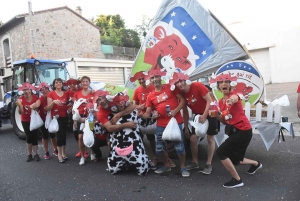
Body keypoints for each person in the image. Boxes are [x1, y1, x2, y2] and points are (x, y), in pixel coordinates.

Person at [210, 73, 262, 188]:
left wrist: (231, 101)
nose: (224, 84)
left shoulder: (234, 95)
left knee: (221, 152)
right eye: (221, 83)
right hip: (235, 131)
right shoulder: (220, 102)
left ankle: (237, 179)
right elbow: (225, 121)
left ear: (230, 85)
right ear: (218, 86)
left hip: (244, 130)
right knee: (233, 159)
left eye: (226, 82)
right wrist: (217, 116)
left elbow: (235, 98)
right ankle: (256, 164)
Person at [139, 69, 190, 177]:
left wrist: (175, 111)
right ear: (150, 80)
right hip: (161, 124)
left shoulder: (170, 87)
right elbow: (148, 114)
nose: (154, 79)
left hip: (176, 122)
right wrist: (141, 115)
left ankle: (182, 167)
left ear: (160, 77)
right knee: (159, 148)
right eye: (152, 78)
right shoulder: (150, 96)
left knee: (179, 147)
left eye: (156, 77)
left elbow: (183, 101)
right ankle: (166, 165)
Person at [174, 73, 219, 174]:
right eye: (177, 82)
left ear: (186, 80)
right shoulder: (182, 94)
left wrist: (204, 114)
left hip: (210, 112)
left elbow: (209, 100)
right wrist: (186, 128)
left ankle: (208, 164)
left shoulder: (197, 86)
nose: (180, 84)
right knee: (193, 139)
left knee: (210, 138)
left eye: (181, 81)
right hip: (198, 115)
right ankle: (195, 162)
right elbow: (185, 112)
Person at [105, 91, 149, 175]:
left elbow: (144, 123)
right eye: (118, 102)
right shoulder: (111, 116)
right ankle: (125, 163)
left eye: (123, 101)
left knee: (143, 171)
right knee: (113, 170)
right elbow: (108, 130)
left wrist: (143, 115)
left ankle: (135, 162)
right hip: (118, 145)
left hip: (134, 145)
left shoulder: (134, 112)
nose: (121, 104)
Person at [131, 71, 160, 168]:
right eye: (139, 79)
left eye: (143, 79)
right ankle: (145, 157)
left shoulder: (153, 87)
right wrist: (139, 107)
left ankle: (157, 157)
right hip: (142, 117)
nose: (142, 81)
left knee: (153, 138)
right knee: (140, 138)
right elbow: (134, 104)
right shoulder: (137, 90)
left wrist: (149, 106)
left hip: (153, 115)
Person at [30, 82, 58, 159]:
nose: (44, 91)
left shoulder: (53, 96)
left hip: (52, 118)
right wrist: (33, 106)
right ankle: (46, 152)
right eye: (42, 90)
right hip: (44, 119)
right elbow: (37, 103)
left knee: (53, 135)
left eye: (45, 89)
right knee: (45, 135)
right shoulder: (41, 98)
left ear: (48, 89)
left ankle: (56, 149)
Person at [46, 78, 70, 163]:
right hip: (56, 117)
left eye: (60, 82)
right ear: (54, 84)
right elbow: (47, 108)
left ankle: (64, 153)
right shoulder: (51, 94)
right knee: (59, 134)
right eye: (56, 82)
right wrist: (53, 102)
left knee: (64, 134)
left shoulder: (66, 93)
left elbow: (69, 103)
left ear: (62, 84)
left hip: (65, 115)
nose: (58, 83)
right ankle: (59, 154)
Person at [16, 83, 40, 162]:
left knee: (35, 136)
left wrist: (34, 106)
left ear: (31, 90)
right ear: (22, 91)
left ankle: (36, 154)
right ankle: (29, 155)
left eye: (28, 89)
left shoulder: (36, 97)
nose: (27, 91)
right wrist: (20, 106)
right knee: (29, 136)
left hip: (34, 119)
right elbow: (20, 112)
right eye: (25, 90)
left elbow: (38, 106)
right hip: (25, 120)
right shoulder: (21, 99)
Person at [73, 76, 94, 165]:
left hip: (90, 116)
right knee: (80, 137)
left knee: (91, 134)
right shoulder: (77, 94)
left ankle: (92, 152)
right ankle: (82, 156)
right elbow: (74, 107)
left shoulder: (93, 93)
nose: (85, 83)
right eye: (83, 82)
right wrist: (74, 119)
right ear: (81, 84)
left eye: (86, 81)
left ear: (89, 83)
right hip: (80, 117)